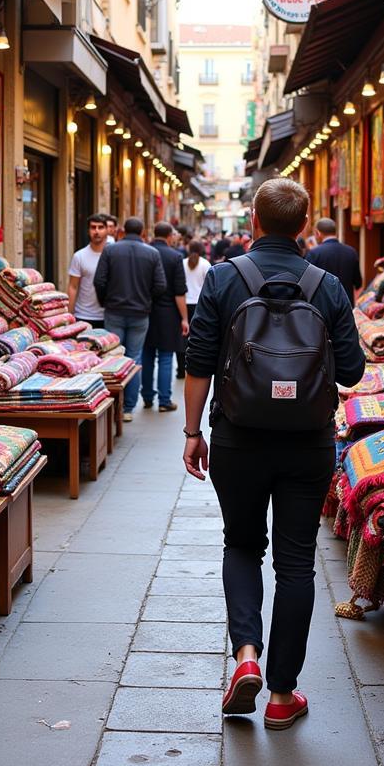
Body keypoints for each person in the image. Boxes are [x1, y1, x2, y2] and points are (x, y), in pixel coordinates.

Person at [183, 178, 364, 730]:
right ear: (306, 225)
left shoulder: (222, 278)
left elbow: (199, 362)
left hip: (238, 438)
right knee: (295, 563)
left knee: (241, 544)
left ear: (254, 222)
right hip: (307, 443)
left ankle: (245, 657)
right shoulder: (328, 285)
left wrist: (193, 432)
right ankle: (283, 695)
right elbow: (353, 371)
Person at [94, 217, 166, 421]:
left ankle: (113, 404)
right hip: (140, 313)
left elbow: (99, 280)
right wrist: (146, 299)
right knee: (134, 357)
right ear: (143, 232)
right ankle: (128, 408)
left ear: (123, 231)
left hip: (114, 311)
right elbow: (160, 285)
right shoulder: (152, 253)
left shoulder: (110, 250)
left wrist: (105, 301)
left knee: (113, 358)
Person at [140, 222, 188, 412]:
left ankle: (147, 396)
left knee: (147, 355)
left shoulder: (145, 252)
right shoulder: (175, 256)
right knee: (166, 357)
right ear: (169, 236)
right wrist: (184, 318)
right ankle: (164, 400)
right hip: (168, 313)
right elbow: (179, 292)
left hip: (146, 310)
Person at [304, 217, 362, 304]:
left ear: (317, 233)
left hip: (322, 306)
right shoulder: (351, 252)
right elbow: (358, 283)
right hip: (345, 304)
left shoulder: (314, 253)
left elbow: (306, 283)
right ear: (336, 232)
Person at [176, 240, 210, 381]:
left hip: (183, 304)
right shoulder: (205, 264)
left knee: (182, 337)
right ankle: (193, 367)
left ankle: (180, 368)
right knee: (197, 338)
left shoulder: (182, 263)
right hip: (199, 304)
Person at [67, 214, 108, 329]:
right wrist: (69, 314)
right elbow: (73, 286)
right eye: (93, 227)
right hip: (83, 315)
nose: (96, 231)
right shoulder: (79, 256)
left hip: (108, 316)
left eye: (100, 227)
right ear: (88, 230)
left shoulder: (113, 255)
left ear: (106, 231)